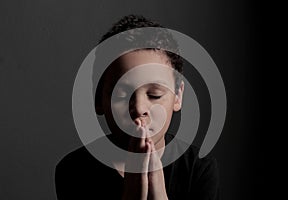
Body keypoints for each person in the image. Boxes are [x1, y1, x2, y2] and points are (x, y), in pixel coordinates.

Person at [55, 14, 220, 200]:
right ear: (99, 99)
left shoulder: (198, 170)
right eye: (122, 94)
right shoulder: (74, 170)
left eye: (154, 95)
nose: (139, 108)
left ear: (178, 96)